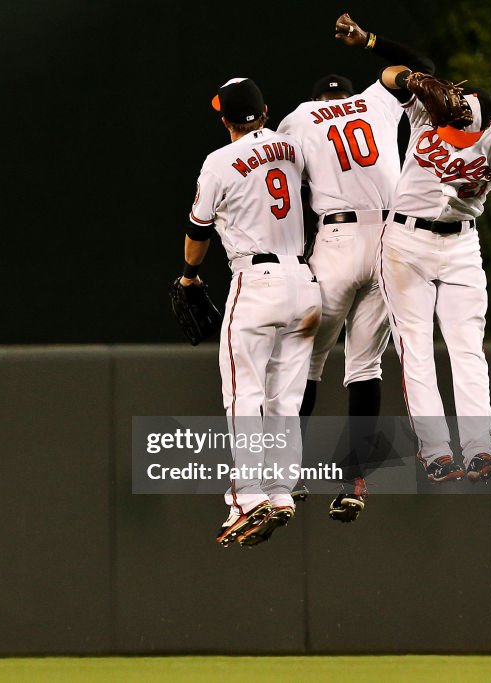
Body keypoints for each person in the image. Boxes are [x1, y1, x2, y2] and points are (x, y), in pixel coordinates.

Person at [276, 13, 434, 522]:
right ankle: (355, 479)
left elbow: (280, 187)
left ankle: (287, 475)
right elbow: (423, 69)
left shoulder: (301, 117)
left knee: (304, 361)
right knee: (364, 367)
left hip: (337, 239)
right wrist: (369, 41)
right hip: (391, 240)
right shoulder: (376, 99)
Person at [181, 77, 321, 546]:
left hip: (256, 281)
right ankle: (281, 491)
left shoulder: (219, 162)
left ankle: (247, 495)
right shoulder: (293, 149)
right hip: (304, 283)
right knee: (286, 398)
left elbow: (197, 229)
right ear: (265, 112)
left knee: (244, 394)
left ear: (225, 119)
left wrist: (188, 277)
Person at [377, 63, 491, 482]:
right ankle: (436, 451)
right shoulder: (428, 112)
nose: (458, 138)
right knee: (416, 348)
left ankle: (481, 449)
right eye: (454, 128)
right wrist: (410, 80)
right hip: (406, 243)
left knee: (468, 349)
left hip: (462, 246)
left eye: (466, 133)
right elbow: (389, 72)